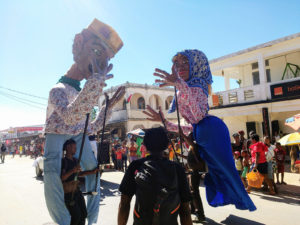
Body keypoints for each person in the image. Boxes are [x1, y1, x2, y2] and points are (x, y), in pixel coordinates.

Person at [143, 49, 256, 211]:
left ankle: (242, 200)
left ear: (196, 65)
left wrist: (180, 84)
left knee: (226, 173)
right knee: (220, 174)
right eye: (176, 63)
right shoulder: (185, 88)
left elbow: (198, 115)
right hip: (203, 131)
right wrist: (164, 122)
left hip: (212, 131)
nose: (180, 67)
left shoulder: (197, 86)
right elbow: (190, 126)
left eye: (185, 63)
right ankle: (235, 200)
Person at [43, 18, 124, 225]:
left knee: (93, 169)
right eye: (97, 52)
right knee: (52, 170)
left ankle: (93, 219)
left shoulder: (83, 92)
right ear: (79, 44)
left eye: (104, 59)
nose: (100, 63)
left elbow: (91, 127)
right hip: (57, 134)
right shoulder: (58, 90)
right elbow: (71, 117)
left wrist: (107, 108)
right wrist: (95, 83)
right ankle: (63, 221)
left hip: (79, 135)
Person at [118, 127, 193, 225]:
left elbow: (124, 203)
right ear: (166, 145)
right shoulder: (177, 168)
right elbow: (185, 210)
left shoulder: (136, 166)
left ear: (145, 145)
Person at [61, 139, 99, 225]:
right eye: (74, 147)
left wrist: (92, 172)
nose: (75, 149)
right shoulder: (64, 162)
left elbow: (78, 174)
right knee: (76, 216)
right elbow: (62, 178)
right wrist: (72, 171)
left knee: (84, 214)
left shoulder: (75, 160)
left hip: (77, 191)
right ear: (68, 147)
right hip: (69, 194)